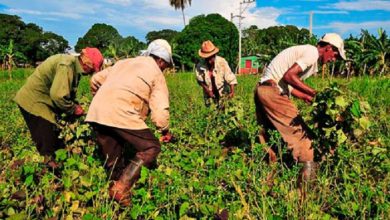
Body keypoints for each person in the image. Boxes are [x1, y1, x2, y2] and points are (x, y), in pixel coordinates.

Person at [86, 39, 174, 206]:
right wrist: (164, 131)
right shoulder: (155, 72)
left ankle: (115, 198)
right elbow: (160, 112)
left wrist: (102, 102)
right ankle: (122, 188)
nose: (165, 69)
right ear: (161, 60)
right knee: (151, 147)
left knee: (114, 160)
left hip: (97, 112)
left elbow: (96, 80)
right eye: (166, 65)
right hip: (122, 112)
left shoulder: (124, 63)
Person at [254, 33, 346, 190]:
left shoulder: (307, 55)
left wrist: (307, 97)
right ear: (329, 48)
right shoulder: (312, 52)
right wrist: (316, 93)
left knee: (272, 139)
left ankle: (267, 183)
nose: (333, 60)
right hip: (273, 93)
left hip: (263, 90)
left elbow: (289, 84)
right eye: (335, 55)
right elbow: (290, 76)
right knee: (305, 140)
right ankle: (304, 196)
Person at [14, 48, 103, 166]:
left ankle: (50, 165)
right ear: (87, 64)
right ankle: (44, 171)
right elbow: (58, 96)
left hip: (43, 101)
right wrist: (74, 109)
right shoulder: (67, 65)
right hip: (35, 102)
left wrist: (73, 105)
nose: (91, 73)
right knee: (47, 143)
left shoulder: (73, 67)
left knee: (53, 138)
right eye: (93, 69)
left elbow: (65, 93)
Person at [195, 40, 237, 107]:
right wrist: (207, 90)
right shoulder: (200, 65)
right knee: (211, 112)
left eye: (210, 58)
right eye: (207, 58)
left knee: (224, 110)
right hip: (209, 93)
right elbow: (200, 80)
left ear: (214, 55)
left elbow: (230, 77)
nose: (209, 61)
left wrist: (232, 91)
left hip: (223, 91)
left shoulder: (222, 62)